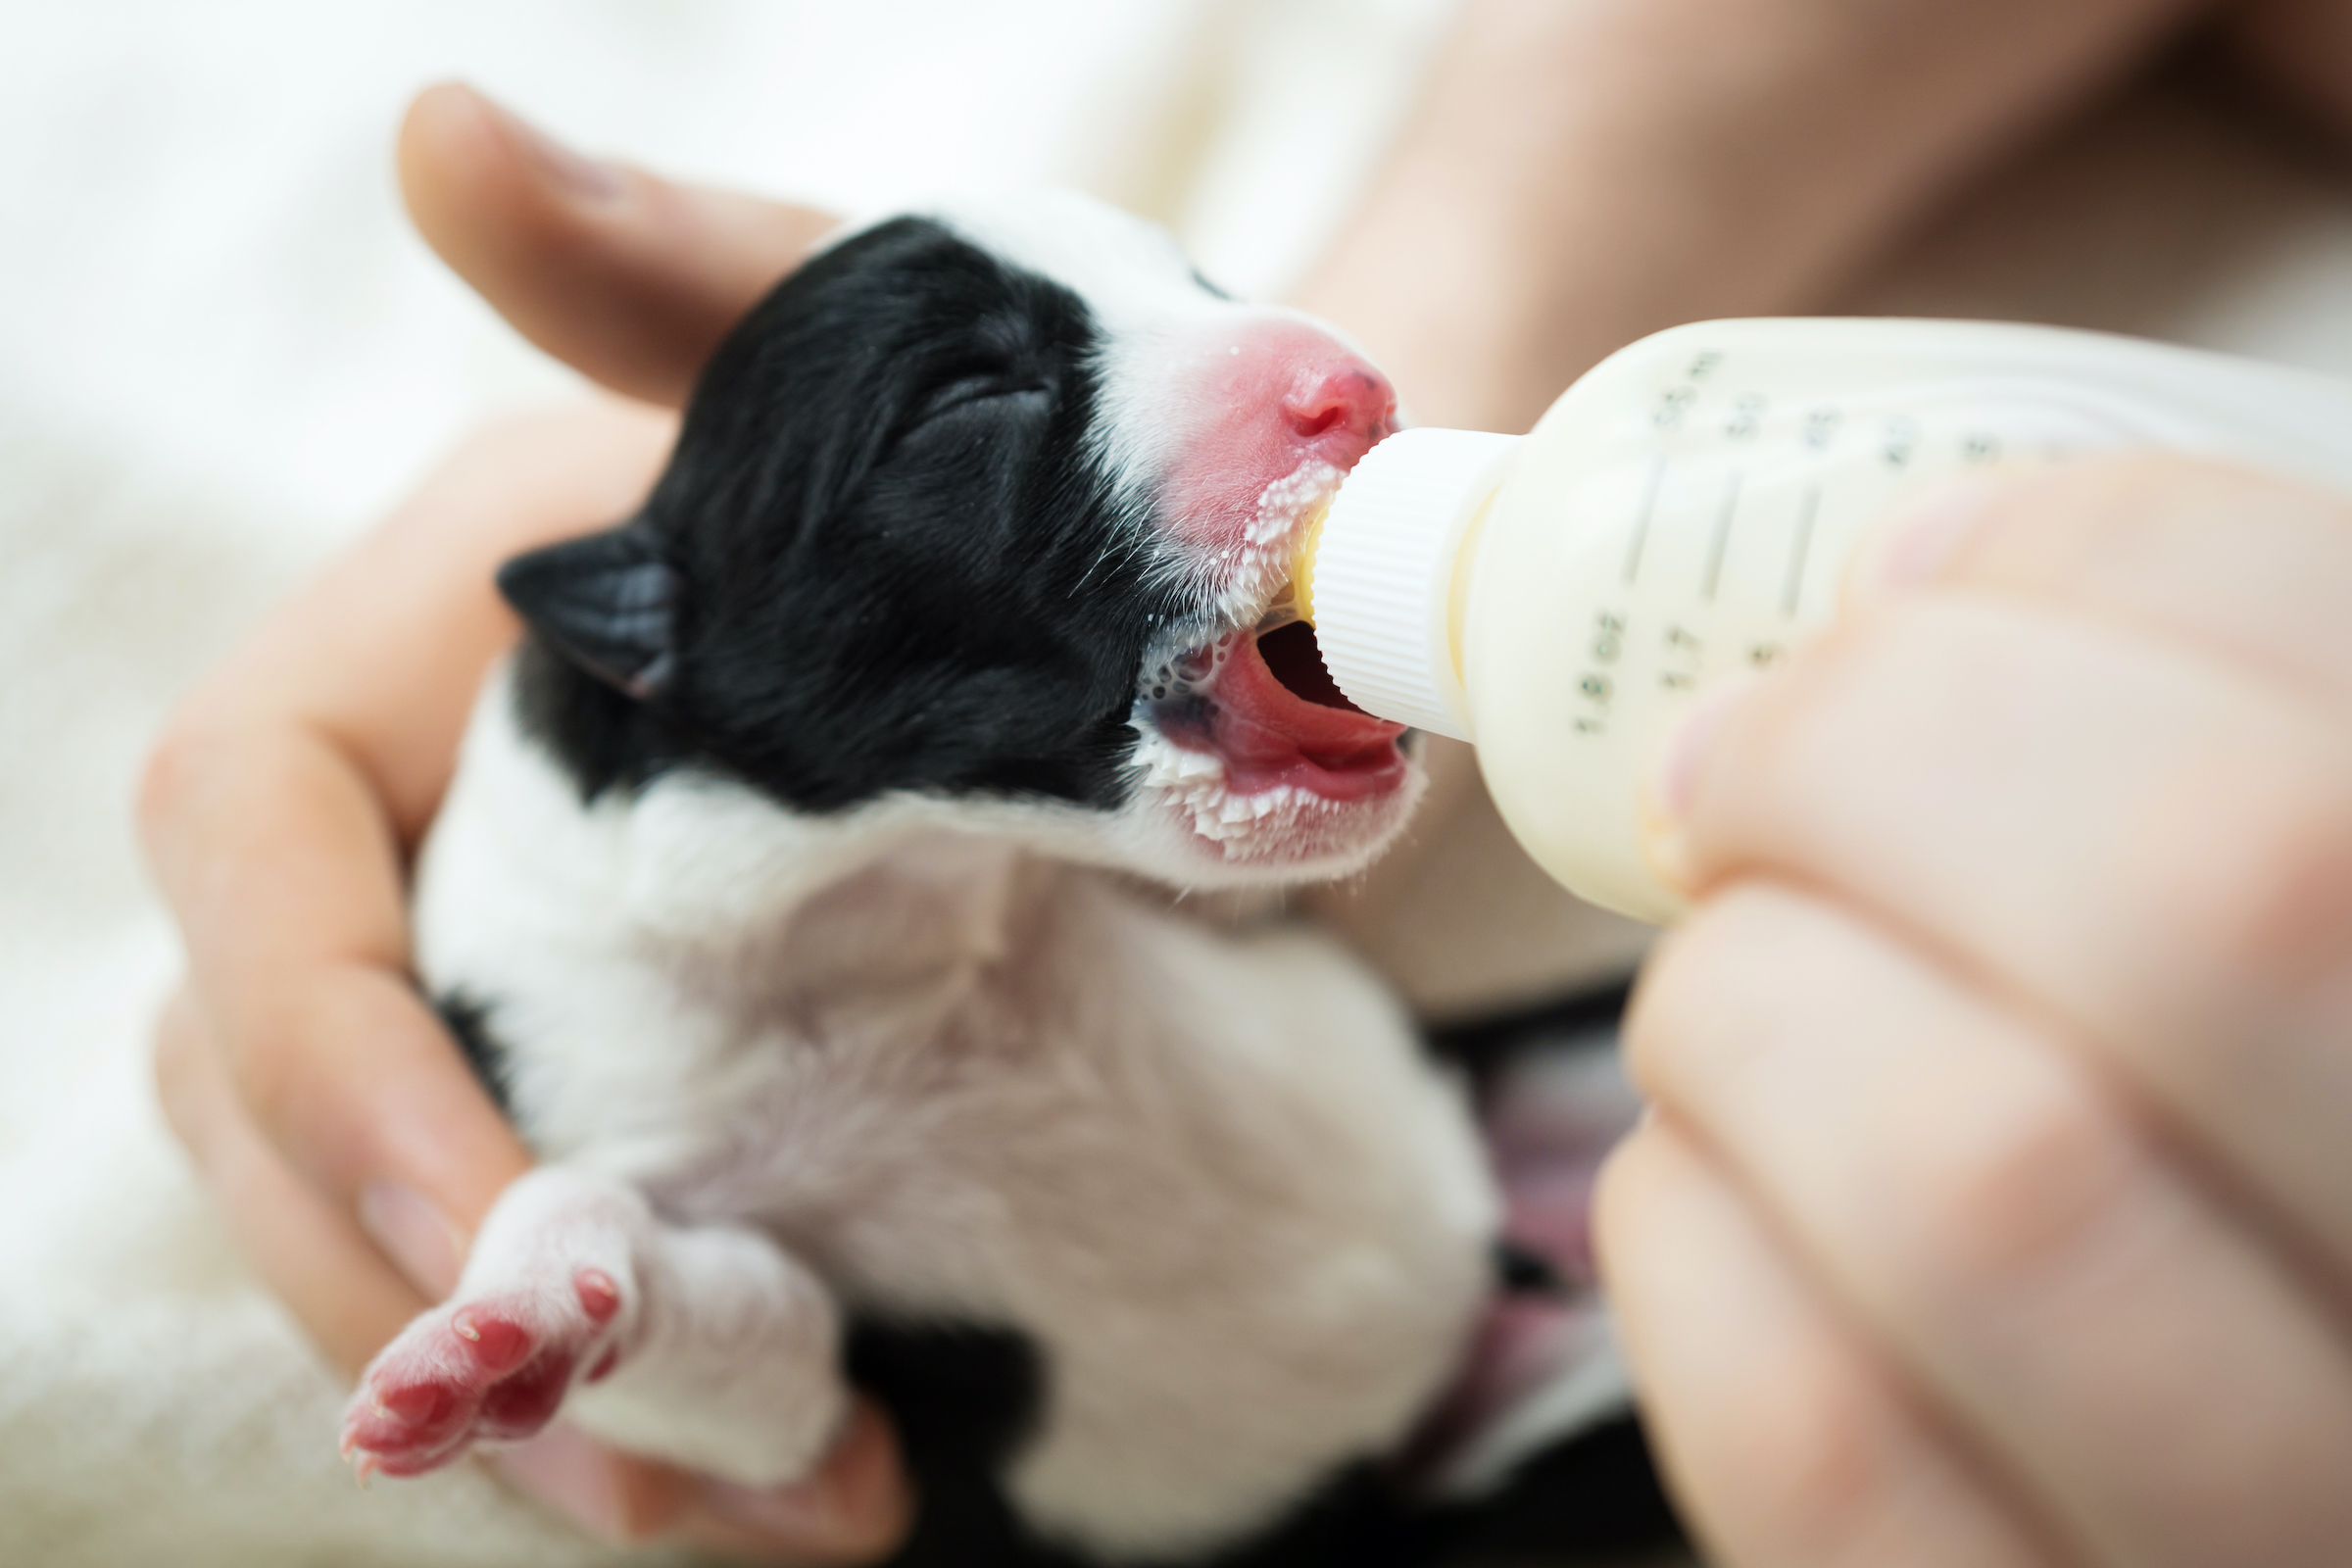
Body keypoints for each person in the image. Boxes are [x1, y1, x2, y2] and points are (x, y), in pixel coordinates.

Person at [135, 1, 2352, 1561]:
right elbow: (768, 1382)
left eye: (1201, 296)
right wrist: (575, 1283)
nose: (1331, 369)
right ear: (650, 632)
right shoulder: (594, 996)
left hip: (1515, 1202)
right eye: (985, 412)